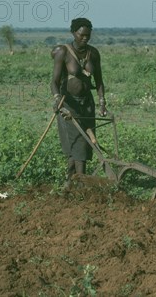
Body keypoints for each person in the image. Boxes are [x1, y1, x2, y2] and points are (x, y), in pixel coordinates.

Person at [50, 18, 107, 186]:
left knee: (87, 143)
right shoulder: (64, 52)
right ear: (73, 33)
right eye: (81, 35)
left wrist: (102, 102)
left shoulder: (94, 54)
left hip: (87, 104)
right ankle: (80, 183)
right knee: (76, 142)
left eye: (88, 35)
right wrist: (57, 98)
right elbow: (53, 82)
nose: (85, 38)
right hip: (69, 105)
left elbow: (99, 81)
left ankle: (72, 182)